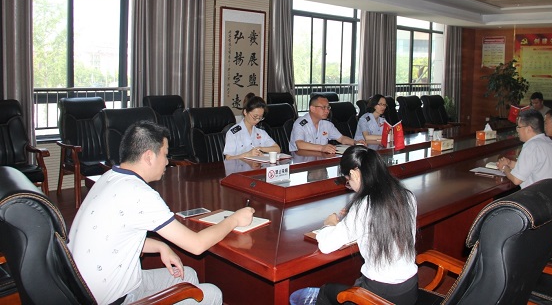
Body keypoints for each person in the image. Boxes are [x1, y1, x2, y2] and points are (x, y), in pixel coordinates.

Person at [69, 121, 255, 305]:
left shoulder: (108, 177)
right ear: (149, 156)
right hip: (114, 300)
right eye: (165, 155)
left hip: (89, 290)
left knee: (187, 275)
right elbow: (197, 245)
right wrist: (234, 219)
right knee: (212, 293)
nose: (167, 162)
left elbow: (117, 237)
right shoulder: (139, 193)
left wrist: (160, 246)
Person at [315, 146, 418, 305]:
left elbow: (326, 245)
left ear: (355, 173)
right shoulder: (407, 196)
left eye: (348, 180)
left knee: (325, 291)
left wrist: (329, 225)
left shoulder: (364, 205)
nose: (350, 185)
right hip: (409, 291)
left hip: (379, 296)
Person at [496, 109, 552, 188]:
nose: (517, 130)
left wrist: (504, 168)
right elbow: (533, 166)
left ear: (528, 129)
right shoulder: (550, 143)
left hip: (540, 195)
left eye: (519, 127)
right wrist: (510, 163)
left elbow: (516, 180)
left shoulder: (531, 146)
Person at [289, 94, 365, 153]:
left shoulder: (327, 124)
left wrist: (355, 142)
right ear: (312, 108)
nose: (327, 111)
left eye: (328, 107)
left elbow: (341, 138)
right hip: (300, 161)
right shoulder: (300, 123)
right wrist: (322, 148)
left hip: (319, 159)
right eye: (323, 107)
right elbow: (300, 144)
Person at [223, 93, 280, 159]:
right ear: (245, 112)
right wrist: (247, 154)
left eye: (260, 117)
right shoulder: (234, 133)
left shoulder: (260, 132)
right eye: (255, 116)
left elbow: (277, 149)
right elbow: (228, 158)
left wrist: (260, 148)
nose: (257, 120)